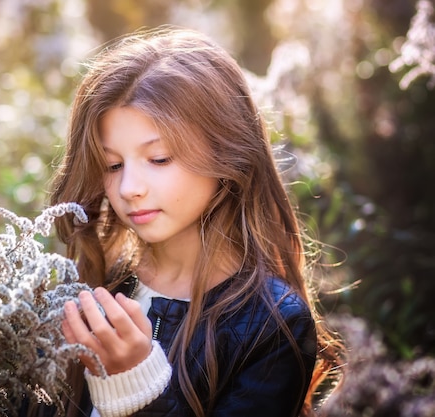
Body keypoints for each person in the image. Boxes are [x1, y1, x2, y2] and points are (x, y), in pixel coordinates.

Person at [40, 26, 343, 417]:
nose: (129, 188)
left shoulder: (271, 327)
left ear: (227, 152)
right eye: (112, 164)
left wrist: (135, 385)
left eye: (159, 158)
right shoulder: (92, 285)